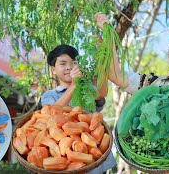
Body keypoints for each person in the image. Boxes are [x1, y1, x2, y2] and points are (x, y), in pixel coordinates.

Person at [40, 44, 116, 173]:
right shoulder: (49, 95)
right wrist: (74, 85)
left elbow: (101, 93)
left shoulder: (88, 89)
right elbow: (52, 112)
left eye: (73, 62)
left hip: (97, 161)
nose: (69, 67)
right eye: (63, 64)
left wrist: (103, 62)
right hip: (69, 163)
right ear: (53, 69)